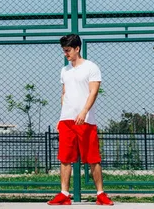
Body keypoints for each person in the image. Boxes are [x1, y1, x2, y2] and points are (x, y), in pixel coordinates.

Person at [48, 34, 113, 206]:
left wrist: (84, 111)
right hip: (66, 120)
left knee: (93, 158)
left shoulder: (92, 67)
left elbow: (93, 92)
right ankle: (64, 194)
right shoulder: (65, 70)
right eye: (64, 51)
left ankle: (101, 194)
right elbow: (64, 93)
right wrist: (61, 116)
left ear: (77, 48)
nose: (66, 54)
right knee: (65, 158)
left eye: (68, 50)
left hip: (86, 120)